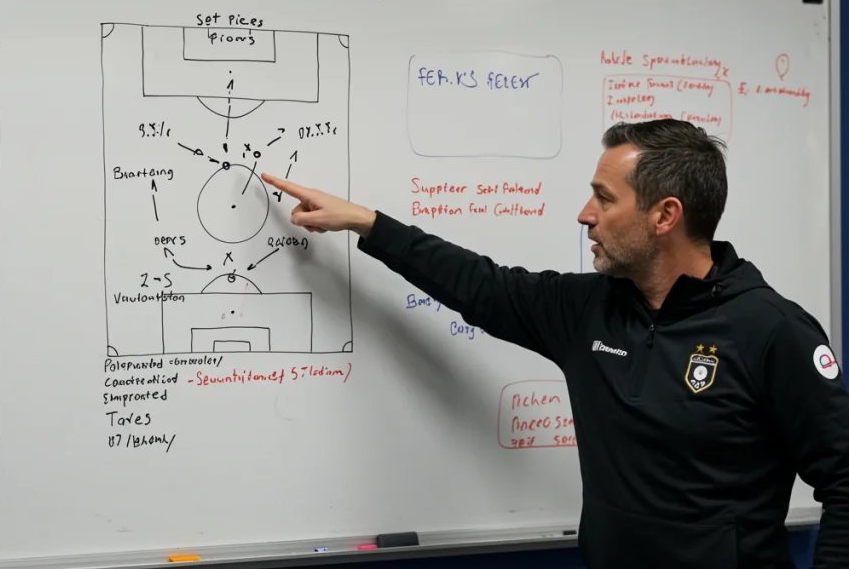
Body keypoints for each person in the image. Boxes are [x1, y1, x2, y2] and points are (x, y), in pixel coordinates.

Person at [261, 118, 849, 569]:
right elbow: (480, 284)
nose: (585, 215)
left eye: (605, 198)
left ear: (665, 215)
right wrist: (367, 222)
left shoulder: (771, 331)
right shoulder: (586, 311)